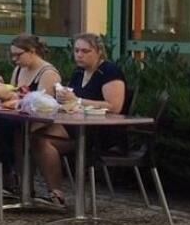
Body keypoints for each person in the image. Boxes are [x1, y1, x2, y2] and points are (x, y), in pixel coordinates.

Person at [33, 33, 128, 205]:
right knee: (33, 133)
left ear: (99, 52)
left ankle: (56, 195)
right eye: (76, 51)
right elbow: (72, 100)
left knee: (43, 141)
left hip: (102, 132)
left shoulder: (109, 71)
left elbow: (115, 106)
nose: (79, 55)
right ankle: (27, 188)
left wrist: (76, 100)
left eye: (85, 51)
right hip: (76, 126)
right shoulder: (79, 72)